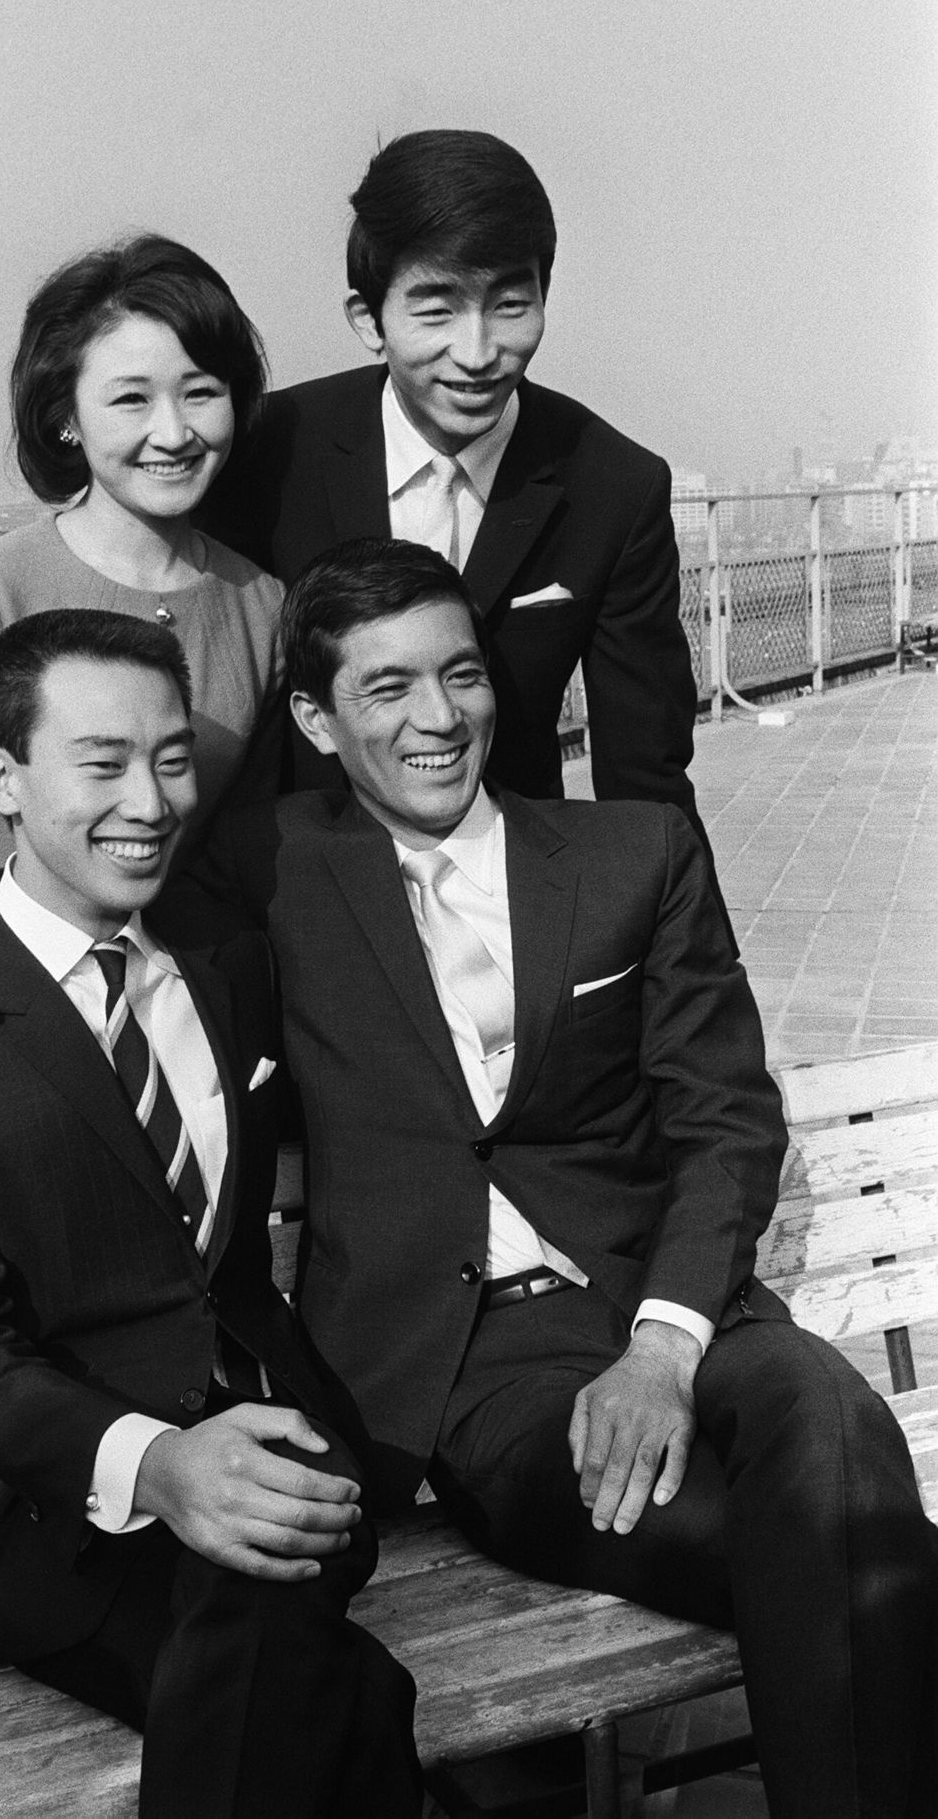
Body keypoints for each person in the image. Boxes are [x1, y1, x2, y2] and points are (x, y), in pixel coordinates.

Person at [172, 538, 938, 1819]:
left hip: (670, 1307)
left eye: (460, 674)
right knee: (843, 1551)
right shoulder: (270, 869)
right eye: (385, 688)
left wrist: (663, 1345)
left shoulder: (631, 851)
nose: (437, 717)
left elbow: (723, 1118)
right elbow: (94, 827)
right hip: (474, 1372)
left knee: (821, 1405)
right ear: (312, 719)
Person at [0, 608, 423, 1819]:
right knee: (324, 1677)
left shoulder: (225, 955)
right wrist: (161, 1466)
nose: (148, 801)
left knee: (279, 1629)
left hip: (276, 1444)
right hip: (52, 1513)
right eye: (101, 763)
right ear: (2, 778)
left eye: (171, 758)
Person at [0, 129, 702, 828]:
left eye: (511, 305)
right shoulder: (265, 446)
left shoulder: (614, 485)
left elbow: (649, 777)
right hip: (293, 895)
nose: (478, 350)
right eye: (435, 310)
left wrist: (682, 956)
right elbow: (131, 540)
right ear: (368, 319)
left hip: (508, 885)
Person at [0, 234, 286, 1086]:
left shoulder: (263, 605)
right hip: (22, 1008)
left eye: (201, 392)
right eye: (131, 399)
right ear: (66, 418)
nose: (174, 432)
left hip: (188, 1008)